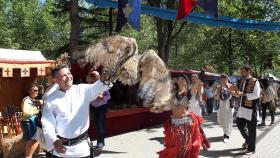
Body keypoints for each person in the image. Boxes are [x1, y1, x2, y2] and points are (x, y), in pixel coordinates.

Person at [41, 64, 110, 158]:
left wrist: (110, 74)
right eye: (64, 75)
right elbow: (47, 123)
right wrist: (54, 141)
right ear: (55, 80)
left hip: (82, 150)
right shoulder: (50, 100)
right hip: (60, 151)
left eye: (69, 73)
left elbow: (99, 86)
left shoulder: (82, 90)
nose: (68, 77)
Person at [158, 76, 210, 158]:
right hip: (174, 123)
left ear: (186, 82)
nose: (180, 80)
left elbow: (196, 84)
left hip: (185, 123)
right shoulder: (173, 93)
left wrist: (202, 73)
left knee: (184, 146)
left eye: (182, 79)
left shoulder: (188, 93)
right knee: (175, 146)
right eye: (179, 79)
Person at [231, 65, 260, 155]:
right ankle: (248, 140)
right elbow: (238, 94)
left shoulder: (255, 81)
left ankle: (252, 149)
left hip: (251, 109)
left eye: (243, 71)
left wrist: (242, 94)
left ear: (248, 71)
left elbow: (256, 95)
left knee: (252, 130)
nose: (241, 73)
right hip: (242, 108)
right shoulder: (241, 81)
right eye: (241, 71)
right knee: (239, 125)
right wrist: (234, 93)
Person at [89, 71, 111, 152]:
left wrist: (102, 98)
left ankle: (100, 143)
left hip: (101, 107)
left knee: (100, 125)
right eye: (96, 76)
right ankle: (98, 142)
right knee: (96, 125)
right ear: (92, 78)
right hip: (93, 107)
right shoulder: (89, 86)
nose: (98, 77)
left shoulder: (103, 85)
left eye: (99, 76)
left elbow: (108, 96)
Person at [20, 84, 40, 158]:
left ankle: (29, 156)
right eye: (35, 90)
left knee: (33, 141)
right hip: (28, 122)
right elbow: (25, 112)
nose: (37, 92)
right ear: (29, 91)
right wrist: (37, 112)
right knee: (32, 141)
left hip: (30, 122)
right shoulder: (27, 100)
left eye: (37, 90)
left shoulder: (32, 100)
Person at [215, 74, 234, 143]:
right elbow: (216, 97)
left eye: (224, 79)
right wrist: (218, 94)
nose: (222, 80)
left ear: (227, 79)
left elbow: (235, 95)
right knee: (221, 120)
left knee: (228, 120)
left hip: (229, 105)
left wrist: (227, 90)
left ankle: (226, 135)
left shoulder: (231, 86)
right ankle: (226, 132)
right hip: (221, 105)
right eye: (221, 79)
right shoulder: (218, 87)